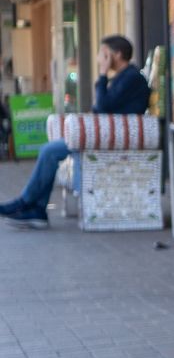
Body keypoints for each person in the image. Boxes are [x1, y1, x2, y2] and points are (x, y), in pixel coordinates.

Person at [2, 35, 150, 229]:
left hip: (112, 140)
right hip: (105, 136)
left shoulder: (131, 77)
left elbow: (103, 106)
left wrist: (103, 74)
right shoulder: (126, 76)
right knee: (50, 151)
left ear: (116, 55)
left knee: (49, 151)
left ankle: (27, 204)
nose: (98, 58)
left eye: (102, 54)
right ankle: (35, 210)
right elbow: (104, 107)